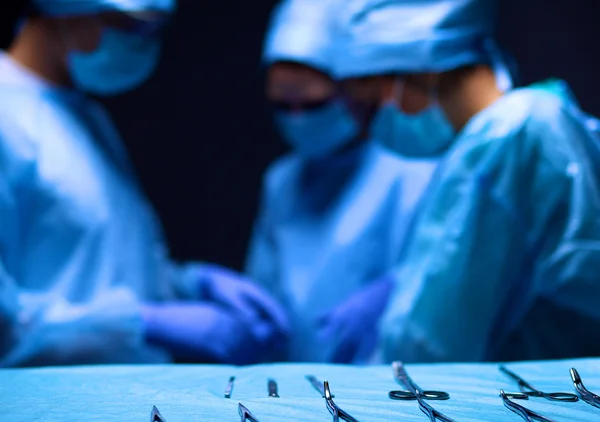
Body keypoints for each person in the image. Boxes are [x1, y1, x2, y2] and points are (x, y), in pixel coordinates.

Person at [0, 0, 289, 367]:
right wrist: (142, 322)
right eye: (135, 27)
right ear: (67, 9)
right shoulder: (7, 117)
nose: (147, 45)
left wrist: (187, 285)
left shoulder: (81, 112)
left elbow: (91, 260)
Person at [329, 0, 600, 363]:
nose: (371, 128)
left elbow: (429, 343)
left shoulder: (509, 135)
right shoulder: (534, 121)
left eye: (370, 106)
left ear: (417, 72)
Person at [245, 0, 439, 363]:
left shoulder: (414, 168)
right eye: (283, 106)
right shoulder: (283, 182)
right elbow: (266, 302)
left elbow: (453, 279)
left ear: (354, 88)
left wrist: (396, 293)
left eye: (313, 104)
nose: (298, 119)